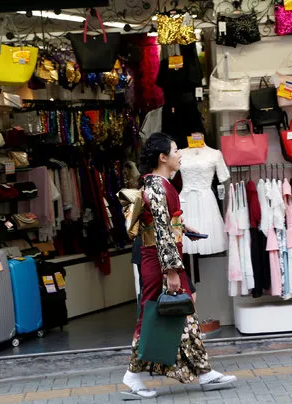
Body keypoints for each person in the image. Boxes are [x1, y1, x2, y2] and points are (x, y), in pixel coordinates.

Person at [121, 133, 236, 400]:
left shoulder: (154, 184)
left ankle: (205, 372)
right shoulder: (160, 186)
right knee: (152, 317)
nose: (180, 154)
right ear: (163, 158)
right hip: (160, 262)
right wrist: (171, 270)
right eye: (175, 151)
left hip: (158, 259)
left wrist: (182, 228)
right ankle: (133, 374)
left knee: (184, 316)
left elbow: (161, 224)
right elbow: (161, 230)